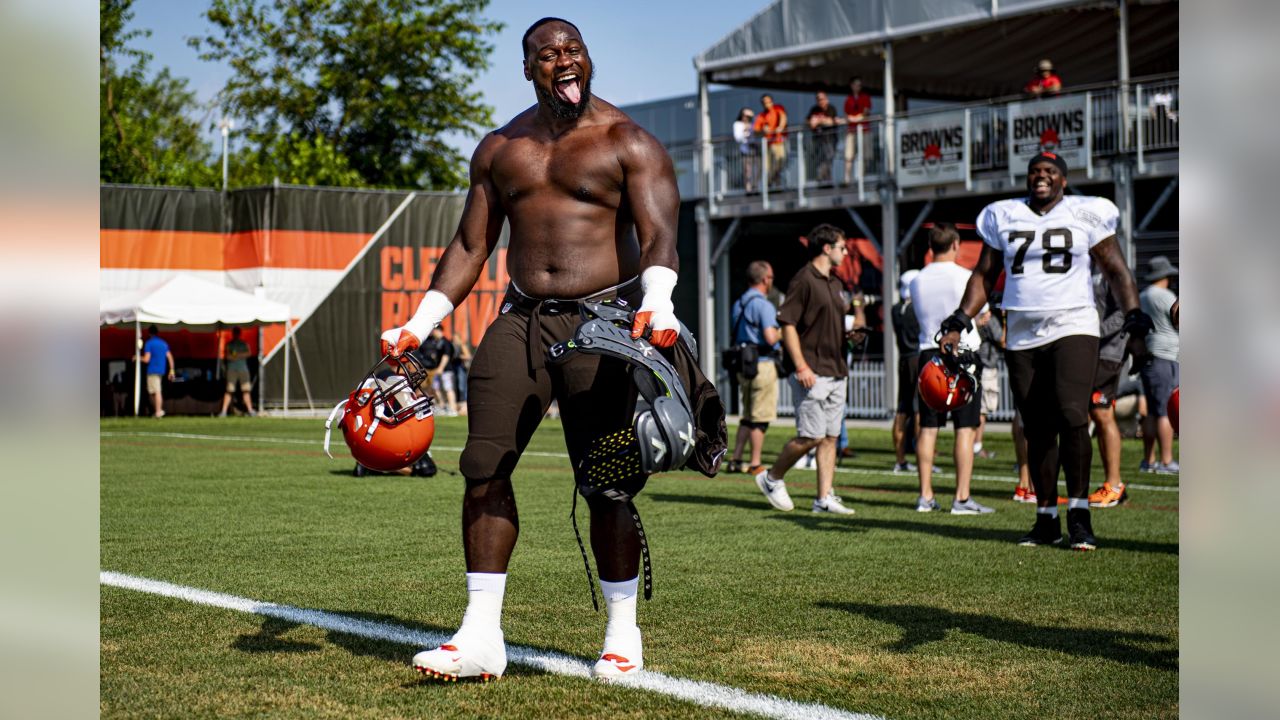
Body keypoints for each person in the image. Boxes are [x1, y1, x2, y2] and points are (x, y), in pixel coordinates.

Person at [378, 17, 698, 682]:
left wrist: (658, 301)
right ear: (529, 68)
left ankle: (621, 633)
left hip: (606, 323)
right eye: (548, 53)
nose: (564, 60)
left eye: (573, 49)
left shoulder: (628, 141)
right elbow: (471, 247)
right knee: (482, 467)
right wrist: (420, 322)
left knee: (608, 484)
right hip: (521, 320)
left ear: (588, 58)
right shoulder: (500, 148)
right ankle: (479, 636)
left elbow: (660, 234)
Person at [937, 152, 1151, 551]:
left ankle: (1080, 514)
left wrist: (1135, 317)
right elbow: (984, 275)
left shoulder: (1087, 212)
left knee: (1072, 415)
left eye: (1050, 172)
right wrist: (958, 319)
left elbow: (1116, 270)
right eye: (1035, 171)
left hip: (1073, 323)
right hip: (1021, 330)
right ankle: (1046, 518)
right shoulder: (1003, 215)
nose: (1041, 177)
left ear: (1063, 181)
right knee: (1035, 426)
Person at [754, 224, 865, 515]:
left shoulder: (836, 283)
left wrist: (849, 336)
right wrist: (801, 365)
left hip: (836, 368)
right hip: (811, 370)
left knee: (829, 438)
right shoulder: (804, 279)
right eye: (842, 247)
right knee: (811, 436)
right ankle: (771, 477)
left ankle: (823, 498)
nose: (845, 252)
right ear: (827, 249)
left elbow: (829, 324)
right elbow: (787, 324)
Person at [909, 223, 994, 515]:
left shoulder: (917, 280)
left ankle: (925, 496)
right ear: (956, 244)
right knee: (965, 428)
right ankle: (961, 497)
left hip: (928, 353)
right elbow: (980, 313)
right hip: (962, 354)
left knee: (928, 427)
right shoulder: (964, 276)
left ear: (931, 246)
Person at [725, 261, 780, 476]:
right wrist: (784, 333)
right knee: (760, 418)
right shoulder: (763, 305)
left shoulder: (739, 303)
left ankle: (736, 459)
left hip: (743, 365)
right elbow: (769, 336)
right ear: (765, 279)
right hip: (762, 364)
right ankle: (755, 462)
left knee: (747, 415)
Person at [1087, 271, 1131, 506]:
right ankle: (1111, 485)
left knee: (1103, 413)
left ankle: (1114, 484)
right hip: (1095, 350)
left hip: (1108, 352)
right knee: (1097, 413)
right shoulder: (1091, 269)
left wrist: (1093, 332)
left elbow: (1125, 311)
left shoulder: (1114, 270)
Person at [1138, 256, 1180, 474]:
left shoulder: (1142, 295)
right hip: (1167, 355)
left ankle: (1149, 460)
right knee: (1166, 409)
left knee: (1153, 411)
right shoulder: (1165, 296)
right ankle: (1166, 461)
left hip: (1149, 354)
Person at [890, 269, 922, 473]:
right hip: (917, 359)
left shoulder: (896, 309)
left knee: (902, 410)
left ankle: (900, 460)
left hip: (903, 360)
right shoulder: (917, 309)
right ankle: (923, 461)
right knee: (921, 411)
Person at [972, 306, 1003, 460]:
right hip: (987, 367)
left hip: (977, 365)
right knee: (982, 410)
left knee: (979, 408)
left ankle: (975, 444)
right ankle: (976, 445)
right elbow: (1002, 340)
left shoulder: (972, 319)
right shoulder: (989, 320)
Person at [218, 327, 256, 417]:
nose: (236, 334)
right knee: (229, 390)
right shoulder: (230, 344)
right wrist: (240, 355)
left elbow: (248, 353)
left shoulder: (244, 344)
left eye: (237, 333)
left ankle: (250, 410)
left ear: (240, 333)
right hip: (232, 370)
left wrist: (237, 355)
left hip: (243, 370)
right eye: (235, 333)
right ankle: (223, 411)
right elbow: (229, 356)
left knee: (246, 390)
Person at [422, 326, 459, 416]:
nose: (433, 333)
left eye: (434, 331)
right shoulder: (437, 342)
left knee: (448, 388)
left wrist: (441, 367)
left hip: (446, 370)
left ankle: (453, 409)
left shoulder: (445, 342)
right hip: (438, 370)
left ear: (438, 331)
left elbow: (446, 356)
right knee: (436, 388)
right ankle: (442, 406)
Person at [842, 77, 873, 184]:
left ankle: (862, 177)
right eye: (856, 84)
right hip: (851, 131)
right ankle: (847, 179)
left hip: (864, 130)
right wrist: (854, 119)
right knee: (849, 155)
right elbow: (846, 116)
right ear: (851, 85)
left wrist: (854, 119)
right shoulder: (848, 100)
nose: (858, 86)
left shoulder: (865, 97)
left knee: (866, 155)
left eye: (859, 85)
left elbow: (866, 113)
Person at [753, 94, 788, 188]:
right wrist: (763, 130)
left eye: (768, 102)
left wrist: (780, 127)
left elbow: (783, 117)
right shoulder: (761, 116)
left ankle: (773, 182)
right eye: (764, 102)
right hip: (767, 145)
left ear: (772, 101)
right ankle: (775, 184)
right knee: (769, 167)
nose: (767, 104)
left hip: (778, 142)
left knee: (780, 162)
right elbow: (756, 130)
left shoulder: (778, 108)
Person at [140, 324, 174, 418]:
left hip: (152, 370)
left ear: (149, 333)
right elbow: (170, 357)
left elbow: (147, 359)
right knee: (153, 391)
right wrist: (171, 370)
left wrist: (137, 357)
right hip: (161, 370)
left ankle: (158, 411)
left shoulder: (149, 343)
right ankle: (157, 410)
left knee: (156, 391)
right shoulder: (163, 343)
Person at [806, 91, 839, 184]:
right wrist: (812, 122)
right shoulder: (814, 109)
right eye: (818, 99)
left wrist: (819, 121)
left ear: (826, 99)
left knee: (829, 157)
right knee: (821, 159)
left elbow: (832, 121)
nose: (820, 101)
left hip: (830, 139)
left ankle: (820, 174)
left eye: (822, 99)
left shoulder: (831, 108)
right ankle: (827, 182)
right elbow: (808, 121)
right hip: (818, 139)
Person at [732, 107, 758, 192]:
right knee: (747, 170)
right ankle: (748, 188)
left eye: (749, 116)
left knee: (757, 169)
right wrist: (745, 130)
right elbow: (738, 138)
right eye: (744, 115)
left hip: (755, 149)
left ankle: (755, 186)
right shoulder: (738, 124)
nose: (746, 118)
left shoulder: (754, 123)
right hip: (745, 150)